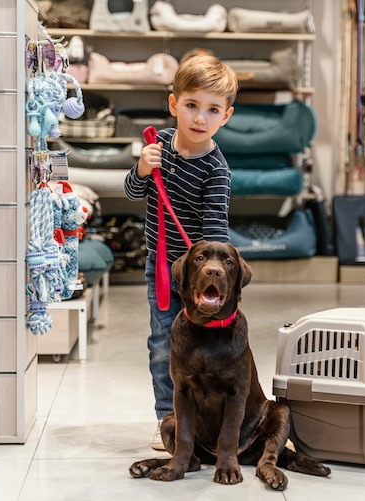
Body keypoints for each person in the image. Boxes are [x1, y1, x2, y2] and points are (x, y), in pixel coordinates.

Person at [124, 52, 238, 450]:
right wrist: (140, 170)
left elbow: (215, 239)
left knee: (203, 346)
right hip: (160, 266)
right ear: (173, 104)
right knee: (162, 341)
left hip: (197, 278)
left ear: (226, 116)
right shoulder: (159, 148)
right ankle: (168, 420)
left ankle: (206, 418)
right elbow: (133, 193)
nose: (199, 119)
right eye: (191, 105)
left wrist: (208, 283)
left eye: (212, 110)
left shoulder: (216, 171)